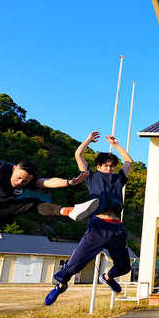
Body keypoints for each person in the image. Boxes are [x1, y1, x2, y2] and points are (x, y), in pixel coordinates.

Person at [45, 131, 134, 306]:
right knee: (75, 264)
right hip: (99, 226)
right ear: (99, 166)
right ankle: (60, 286)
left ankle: (107, 277)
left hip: (117, 228)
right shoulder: (91, 177)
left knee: (124, 267)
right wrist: (88, 140)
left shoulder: (118, 179)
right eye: (106, 166)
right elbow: (78, 154)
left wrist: (116, 145)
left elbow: (129, 161)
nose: (109, 168)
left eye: (112, 166)